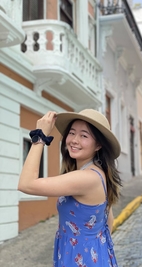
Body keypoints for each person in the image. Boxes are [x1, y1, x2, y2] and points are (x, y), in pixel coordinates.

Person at [18, 109, 122, 267]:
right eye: (72, 133)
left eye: (84, 136)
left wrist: (39, 137)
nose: (74, 140)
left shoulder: (86, 178)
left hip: (80, 258)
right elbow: (108, 219)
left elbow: (26, 184)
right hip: (86, 254)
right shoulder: (96, 172)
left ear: (98, 145)